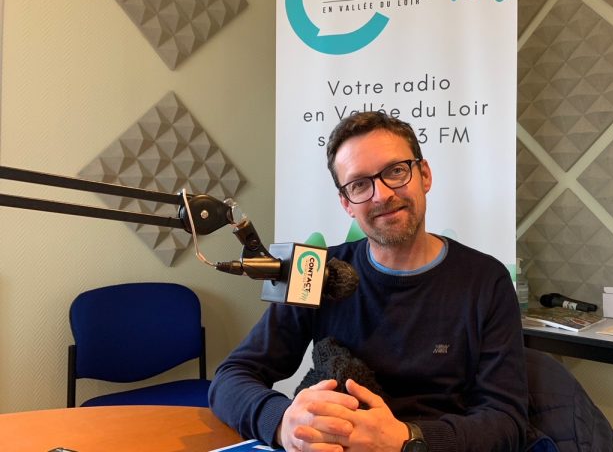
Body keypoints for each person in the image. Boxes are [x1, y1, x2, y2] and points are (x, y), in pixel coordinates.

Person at [209, 113, 528, 452]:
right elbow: (231, 378)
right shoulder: (316, 272)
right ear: (346, 203)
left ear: (424, 175)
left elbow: (506, 422)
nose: (381, 195)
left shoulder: (485, 280)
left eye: (396, 171)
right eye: (360, 184)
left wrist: (406, 439)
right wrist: (282, 421)